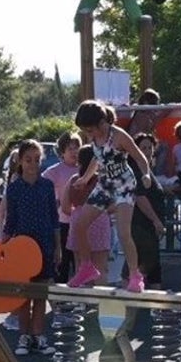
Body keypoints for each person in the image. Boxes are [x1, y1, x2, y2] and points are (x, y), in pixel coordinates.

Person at [67, 100, 154, 292]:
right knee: (80, 224)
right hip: (105, 185)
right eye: (86, 132)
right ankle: (86, 267)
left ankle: (134, 275)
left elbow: (139, 157)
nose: (89, 135)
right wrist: (85, 178)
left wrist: (146, 174)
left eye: (90, 130)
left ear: (102, 123)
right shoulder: (95, 138)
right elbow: (97, 160)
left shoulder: (118, 136)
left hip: (124, 185)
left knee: (124, 232)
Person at [3, 140, 59, 357]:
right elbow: (11, 220)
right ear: (20, 160)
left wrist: (57, 247)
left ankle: (38, 335)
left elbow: (54, 218)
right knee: (25, 294)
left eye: (37, 159)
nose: (33, 164)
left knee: (41, 292)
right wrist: (3, 247)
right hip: (23, 246)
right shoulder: (14, 188)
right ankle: (24, 336)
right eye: (28, 159)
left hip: (44, 243)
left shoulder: (47, 185)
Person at [62, 145, 112, 291]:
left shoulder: (73, 180)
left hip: (78, 221)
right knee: (101, 269)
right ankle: (101, 307)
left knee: (81, 268)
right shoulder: (102, 180)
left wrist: (78, 211)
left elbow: (65, 207)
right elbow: (112, 205)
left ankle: (83, 304)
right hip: (99, 219)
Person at [42, 131, 82, 283]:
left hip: (82, 223)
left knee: (80, 263)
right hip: (63, 223)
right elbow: (43, 188)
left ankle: (80, 299)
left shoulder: (84, 170)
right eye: (70, 148)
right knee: (62, 262)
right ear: (62, 152)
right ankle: (61, 298)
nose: (74, 152)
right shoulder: (54, 171)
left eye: (77, 147)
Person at [132, 132, 167, 287]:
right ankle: (130, 303)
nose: (147, 151)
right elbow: (140, 198)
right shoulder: (137, 169)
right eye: (143, 147)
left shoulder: (147, 170)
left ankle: (152, 307)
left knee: (153, 269)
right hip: (142, 225)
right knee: (144, 265)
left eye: (149, 147)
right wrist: (156, 221)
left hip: (149, 228)